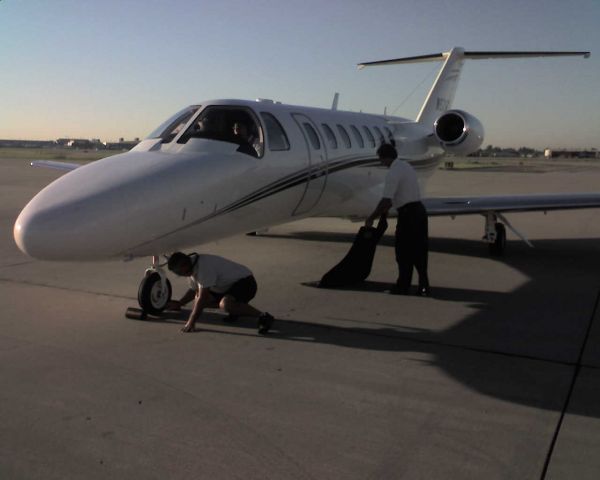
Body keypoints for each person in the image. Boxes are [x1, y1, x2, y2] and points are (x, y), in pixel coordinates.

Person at [365, 143, 430, 296]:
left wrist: (371, 217)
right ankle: (424, 286)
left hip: (408, 215)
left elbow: (386, 200)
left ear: (386, 157)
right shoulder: (406, 166)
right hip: (419, 212)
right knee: (420, 251)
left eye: (381, 159)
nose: (381, 163)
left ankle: (403, 286)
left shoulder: (393, 172)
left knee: (403, 252)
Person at [167, 252, 274, 333]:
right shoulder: (191, 267)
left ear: (185, 265)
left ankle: (263, 316)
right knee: (198, 298)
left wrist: (191, 322)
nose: (180, 275)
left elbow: (202, 297)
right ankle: (236, 310)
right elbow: (194, 290)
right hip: (225, 287)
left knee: (225, 304)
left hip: (245, 283)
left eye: (179, 272)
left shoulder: (204, 267)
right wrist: (179, 304)